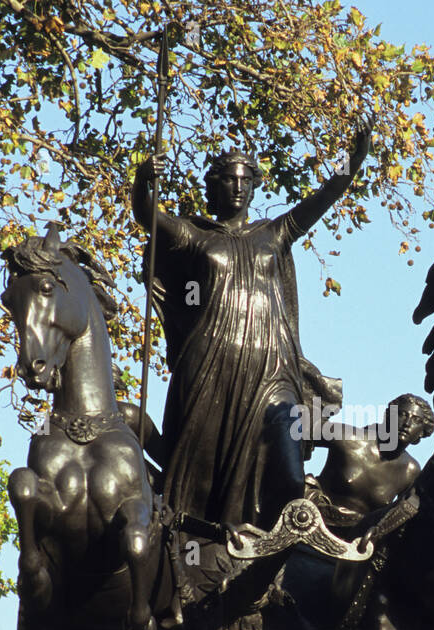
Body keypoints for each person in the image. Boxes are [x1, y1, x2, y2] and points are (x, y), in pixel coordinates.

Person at [132, 125, 369, 531]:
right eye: (230, 179)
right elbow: (147, 216)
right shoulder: (196, 236)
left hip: (272, 369)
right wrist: (143, 181)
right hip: (211, 366)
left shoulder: (274, 233)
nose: (239, 187)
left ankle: (282, 547)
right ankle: (201, 542)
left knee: (287, 468)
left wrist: (353, 162)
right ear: (215, 185)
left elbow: (325, 196)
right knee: (201, 476)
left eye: (246, 180)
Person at [306, 394, 434, 519]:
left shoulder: (410, 471)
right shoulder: (348, 437)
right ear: (388, 417)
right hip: (311, 520)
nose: (407, 423)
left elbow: (403, 516)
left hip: (358, 538)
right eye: (402, 415)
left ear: (421, 433)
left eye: (416, 420)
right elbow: (303, 431)